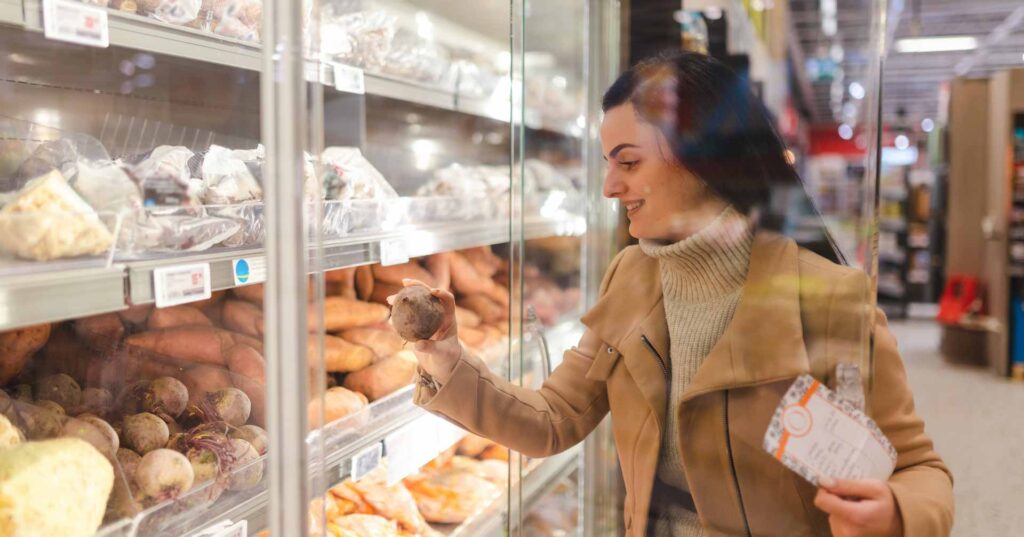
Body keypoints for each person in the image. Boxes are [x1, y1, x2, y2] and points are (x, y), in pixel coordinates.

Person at [399, 51, 954, 536]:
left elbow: (920, 470)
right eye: (608, 164)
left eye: (629, 162)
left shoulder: (830, 296)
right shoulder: (631, 275)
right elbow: (553, 418)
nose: (609, 186)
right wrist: (445, 357)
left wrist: (896, 512)